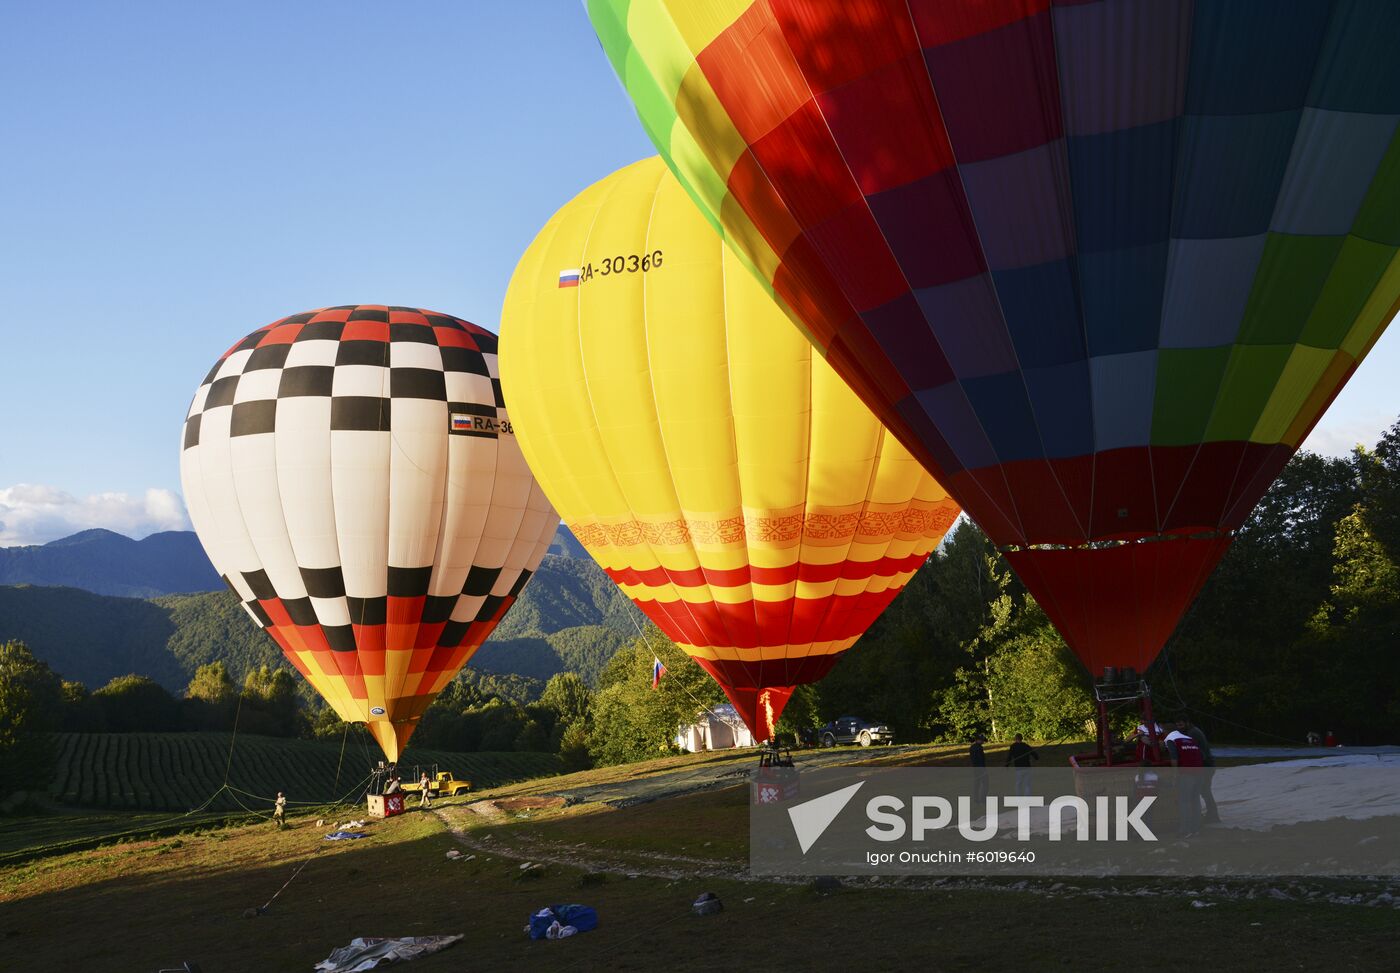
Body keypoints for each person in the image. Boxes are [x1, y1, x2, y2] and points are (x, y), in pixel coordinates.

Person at [1164, 722, 1204, 837]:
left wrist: (1174, 775)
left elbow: (1174, 757)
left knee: (1184, 801)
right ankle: (1196, 829)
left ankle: (1185, 830)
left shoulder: (1171, 739)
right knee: (1195, 800)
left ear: (1166, 731)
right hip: (1200, 772)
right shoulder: (1189, 739)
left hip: (1187, 773)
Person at [1181, 718, 1219, 823]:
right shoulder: (1194, 731)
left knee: (1204, 791)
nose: (1180, 727)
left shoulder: (1192, 733)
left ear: (1187, 722)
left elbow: (1199, 753)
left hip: (1206, 766)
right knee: (1205, 791)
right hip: (1208, 765)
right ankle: (1212, 815)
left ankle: (1212, 815)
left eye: (1181, 724)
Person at [969, 734, 989, 813]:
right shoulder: (979, 748)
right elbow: (981, 759)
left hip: (975, 768)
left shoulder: (971, 747)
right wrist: (984, 770)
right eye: (982, 740)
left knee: (977, 784)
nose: (983, 741)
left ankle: (976, 799)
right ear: (978, 740)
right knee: (985, 784)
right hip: (981, 768)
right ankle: (983, 800)